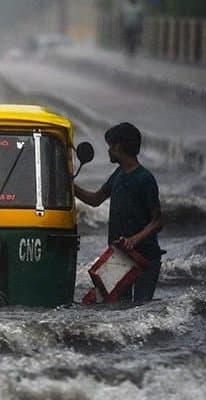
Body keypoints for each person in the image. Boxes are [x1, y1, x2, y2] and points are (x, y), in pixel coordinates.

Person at [74, 122, 164, 303]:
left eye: (109, 146)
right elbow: (95, 200)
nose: (108, 151)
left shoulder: (145, 178)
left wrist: (134, 240)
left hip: (145, 259)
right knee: (112, 308)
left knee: (140, 310)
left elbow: (158, 222)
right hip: (120, 256)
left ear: (118, 147)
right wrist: (70, 187)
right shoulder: (118, 174)